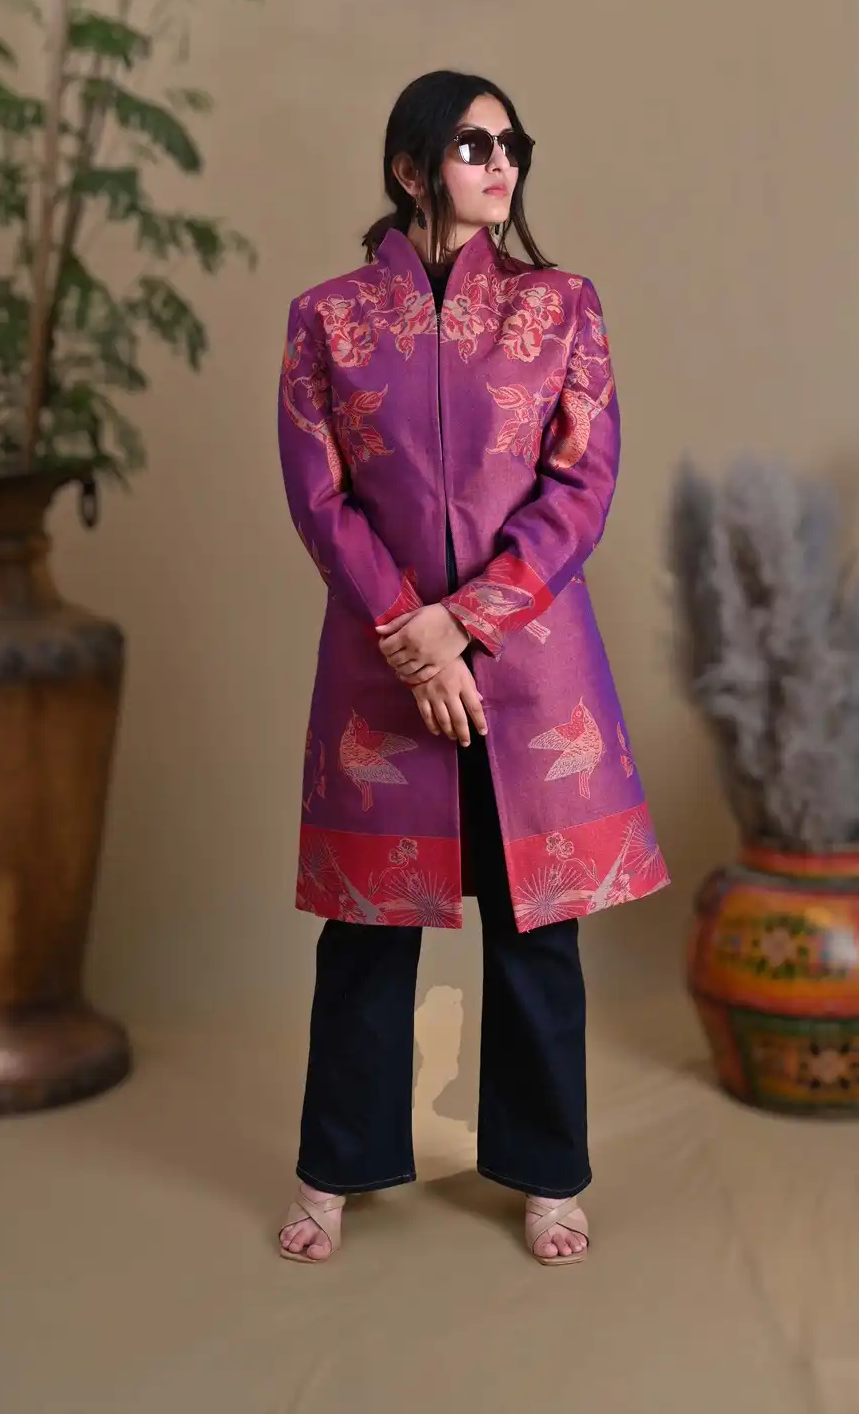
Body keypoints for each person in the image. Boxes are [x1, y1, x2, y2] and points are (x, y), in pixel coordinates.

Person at [276, 70, 669, 1266]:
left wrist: (465, 624)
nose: (501, 164)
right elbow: (318, 498)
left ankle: (547, 1174)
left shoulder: (562, 308)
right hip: (382, 665)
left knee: (536, 930)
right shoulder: (327, 319)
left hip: (528, 669)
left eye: (510, 145)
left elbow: (580, 487)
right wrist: (410, 630)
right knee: (365, 933)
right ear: (410, 169)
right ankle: (333, 1169)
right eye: (471, 144)